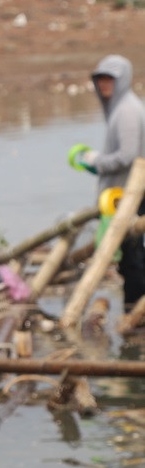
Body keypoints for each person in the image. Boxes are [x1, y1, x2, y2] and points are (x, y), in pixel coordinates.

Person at [70, 54, 145, 311]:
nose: (104, 85)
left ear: (122, 80)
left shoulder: (126, 110)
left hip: (132, 196)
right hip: (123, 193)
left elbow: (128, 155)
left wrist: (98, 160)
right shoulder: (120, 108)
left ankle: (134, 309)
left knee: (134, 258)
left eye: (109, 79)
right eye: (100, 80)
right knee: (130, 257)